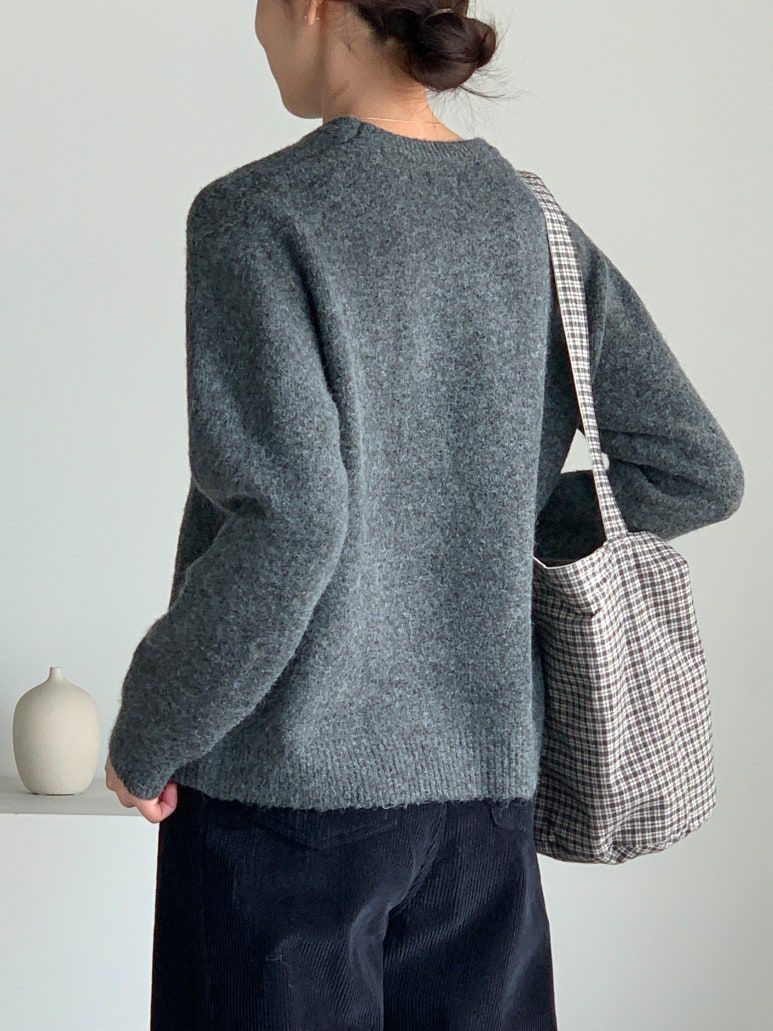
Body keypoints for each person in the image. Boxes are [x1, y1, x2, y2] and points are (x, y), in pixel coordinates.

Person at [105, 2, 745, 1028]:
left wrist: (150, 729)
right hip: (480, 807)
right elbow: (694, 470)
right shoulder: (523, 219)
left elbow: (289, 523)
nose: (256, 27)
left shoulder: (257, 214)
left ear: (315, 7)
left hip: (285, 802)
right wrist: (479, 520)